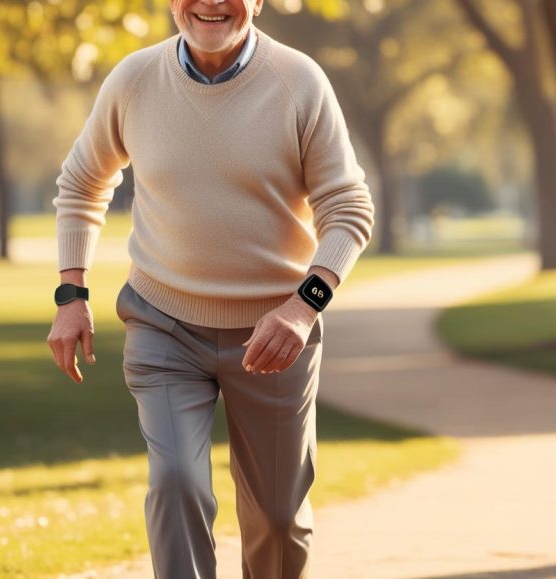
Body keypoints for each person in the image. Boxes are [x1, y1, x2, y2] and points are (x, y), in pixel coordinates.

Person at [47, 0, 374, 576]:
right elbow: (81, 182)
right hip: (163, 322)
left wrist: (303, 308)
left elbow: (348, 208)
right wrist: (71, 295)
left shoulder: (298, 82)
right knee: (175, 483)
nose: (211, 3)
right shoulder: (135, 80)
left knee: (277, 519)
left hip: (277, 336)